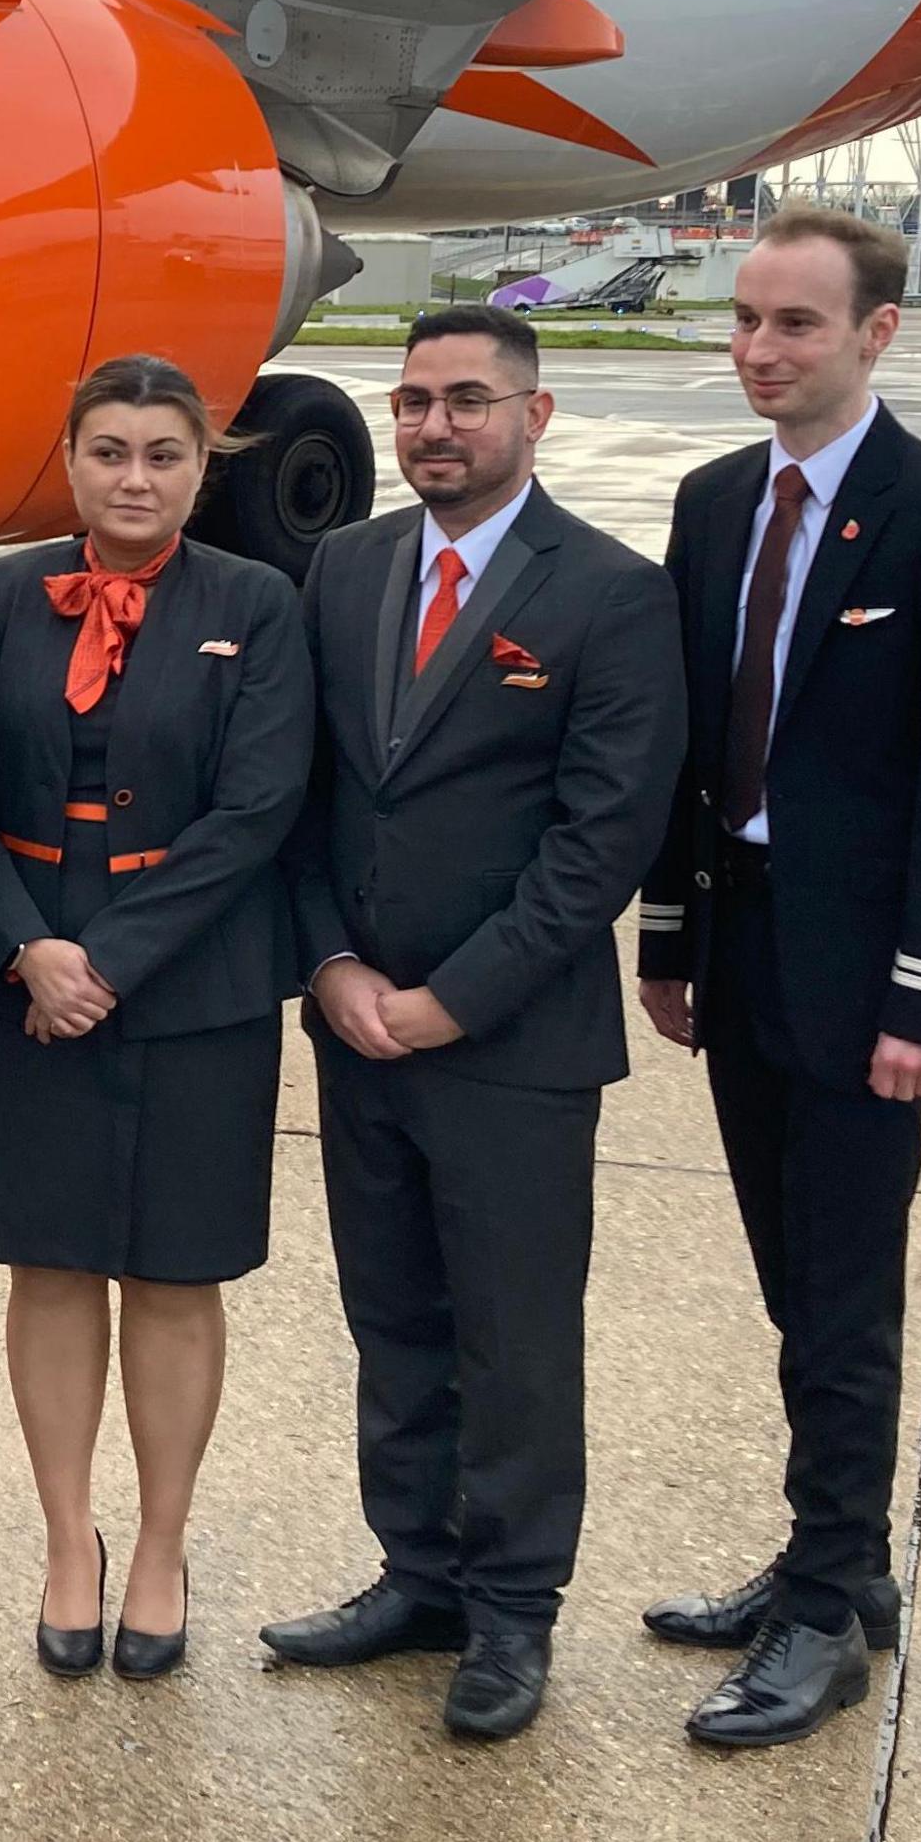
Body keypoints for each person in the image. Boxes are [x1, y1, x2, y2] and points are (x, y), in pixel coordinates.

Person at [631, 205, 921, 1749]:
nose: (759, 350)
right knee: (795, 1284)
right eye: (745, 320)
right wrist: (668, 935)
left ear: (876, 334)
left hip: (871, 976)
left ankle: (825, 1610)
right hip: (742, 952)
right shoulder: (714, 501)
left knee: (848, 1296)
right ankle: (831, 1561)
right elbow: (690, 747)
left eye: (796, 324)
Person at [259, 306, 686, 1741]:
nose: (436, 427)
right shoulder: (346, 569)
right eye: (415, 402)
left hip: (508, 1046)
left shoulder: (612, 595)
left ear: (535, 416)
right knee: (392, 1318)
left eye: (468, 402)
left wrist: (454, 999)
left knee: (514, 1337)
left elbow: (600, 842)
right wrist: (328, 964)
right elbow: (303, 793)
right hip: (356, 1023)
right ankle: (417, 1572)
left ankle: (513, 1610)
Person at [0, 355, 311, 1683]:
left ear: (204, 467)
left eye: (164, 453)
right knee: (51, 1264)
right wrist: (32, 948)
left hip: (191, 987)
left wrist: (110, 962)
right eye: (110, 451)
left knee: (171, 1271)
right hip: (18, 975)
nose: (135, 477)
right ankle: (66, 1544)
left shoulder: (258, 604)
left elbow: (257, 812)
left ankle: (160, 1543)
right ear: (73, 458)